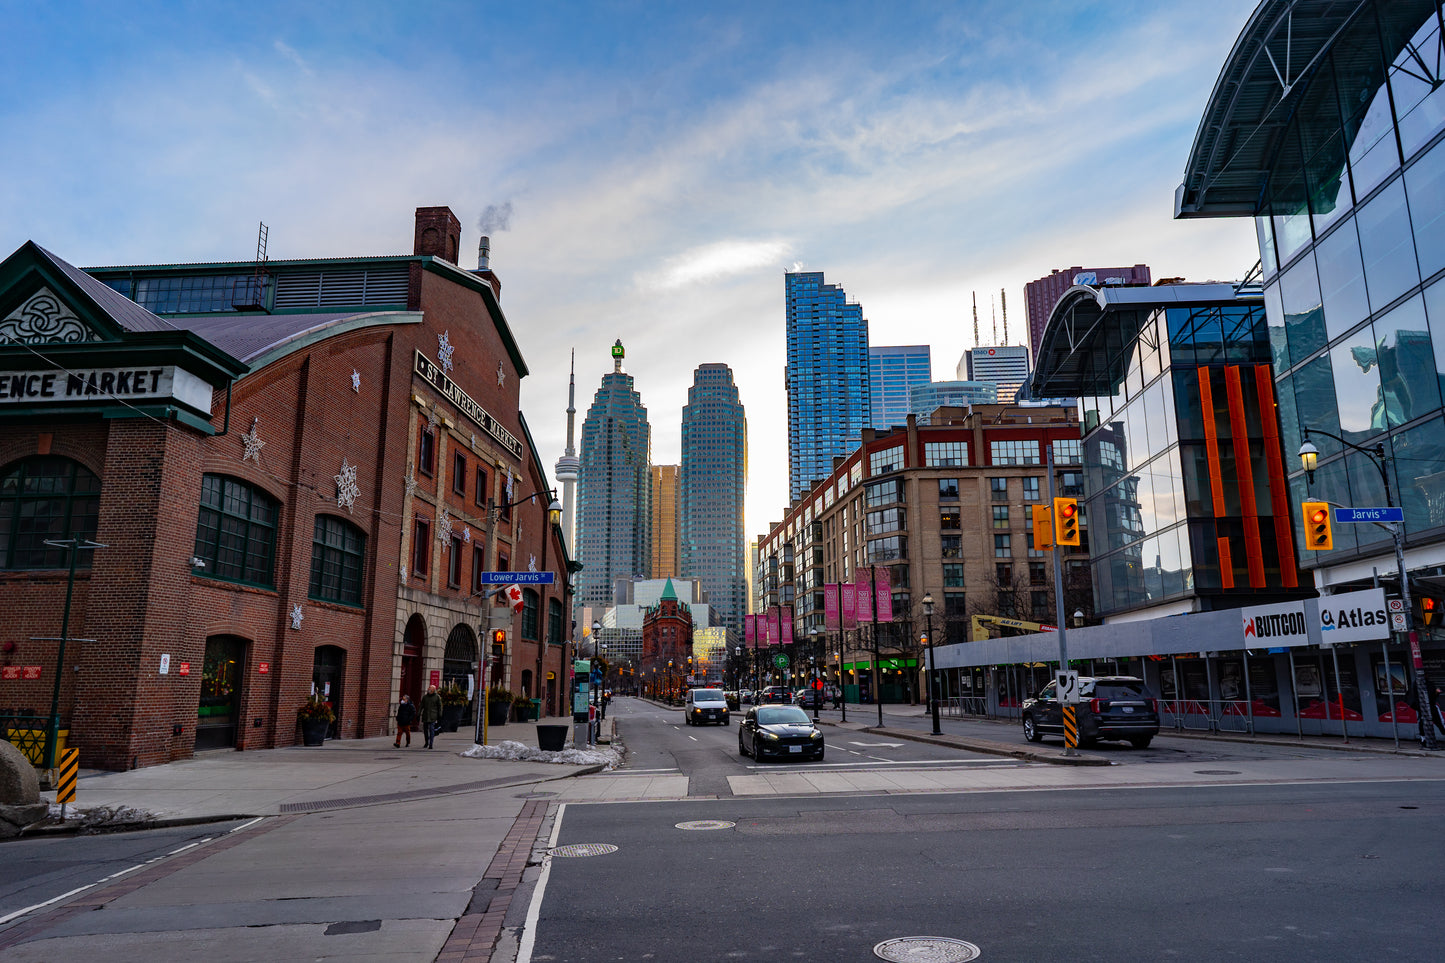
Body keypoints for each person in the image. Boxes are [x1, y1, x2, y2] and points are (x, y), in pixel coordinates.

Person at [419, 684, 443, 749]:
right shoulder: (425, 697)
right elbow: (421, 706)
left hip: (433, 716)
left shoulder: (437, 697)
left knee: (432, 729)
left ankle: (431, 743)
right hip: (426, 715)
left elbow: (440, 706)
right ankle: (426, 741)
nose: (429, 689)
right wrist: (419, 714)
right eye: (429, 688)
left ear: (433, 690)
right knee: (425, 730)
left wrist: (439, 715)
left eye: (430, 689)